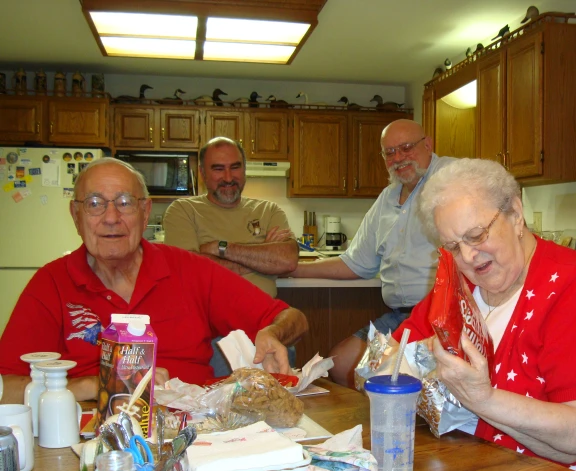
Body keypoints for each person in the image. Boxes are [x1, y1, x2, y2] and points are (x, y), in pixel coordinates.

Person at [393, 158, 576, 471]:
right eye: (452, 246)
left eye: (476, 235)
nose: (466, 256)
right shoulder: (458, 284)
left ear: (516, 215)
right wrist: (423, 354)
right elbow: (390, 360)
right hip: (468, 468)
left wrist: (482, 398)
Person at [0, 158, 308, 404]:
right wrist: (90, 385)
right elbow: (6, 390)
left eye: (124, 202)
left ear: (145, 213)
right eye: (95, 203)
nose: (110, 218)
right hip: (90, 438)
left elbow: (293, 317)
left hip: (198, 432)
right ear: (75, 214)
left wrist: (274, 332)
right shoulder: (51, 284)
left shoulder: (189, 269)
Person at [286, 119, 454, 386]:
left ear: (428, 145)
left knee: (394, 376)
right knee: (341, 363)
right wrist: (294, 269)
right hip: (400, 316)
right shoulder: (387, 199)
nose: (399, 158)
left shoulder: (453, 178)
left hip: (443, 315)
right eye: (390, 152)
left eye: (407, 147)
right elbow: (356, 263)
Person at [163, 137, 298, 298]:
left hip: (263, 317)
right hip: (208, 320)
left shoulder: (269, 210)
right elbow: (188, 270)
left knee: (296, 320)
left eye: (235, 167)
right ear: (202, 173)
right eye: (218, 169)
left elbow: (287, 260)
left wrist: (219, 248)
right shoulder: (183, 210)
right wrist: (262, 257)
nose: (228, 178)